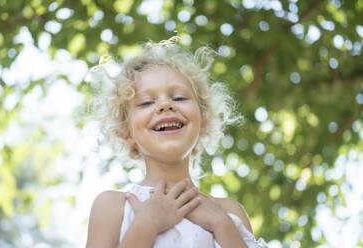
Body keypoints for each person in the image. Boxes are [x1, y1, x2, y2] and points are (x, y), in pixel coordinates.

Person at [85, 37, 268, 248]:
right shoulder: (112, 207)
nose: (165, 104)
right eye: (146, 102)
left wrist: (221, 224)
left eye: (179, 98)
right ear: (126, 131)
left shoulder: (229, 212)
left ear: (204, 120)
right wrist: (146, 224)